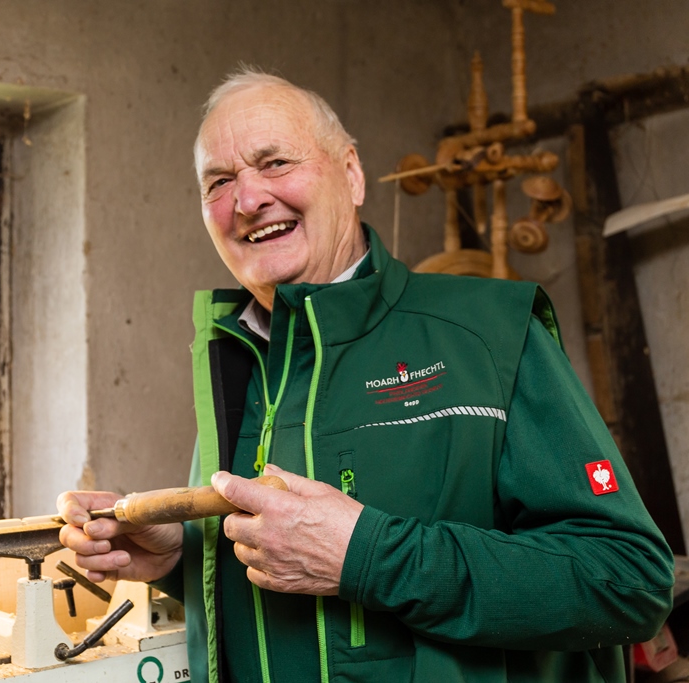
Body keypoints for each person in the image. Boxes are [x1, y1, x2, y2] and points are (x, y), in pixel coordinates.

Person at [57, 68, 674, 683]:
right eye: (219, 181)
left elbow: (629, 579)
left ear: (351, 174)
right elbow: (290, 599)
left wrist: (370, 557)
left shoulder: (490, 334)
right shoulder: (238, 358)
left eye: (275, 163)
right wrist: (184, 557)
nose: (247, 200)